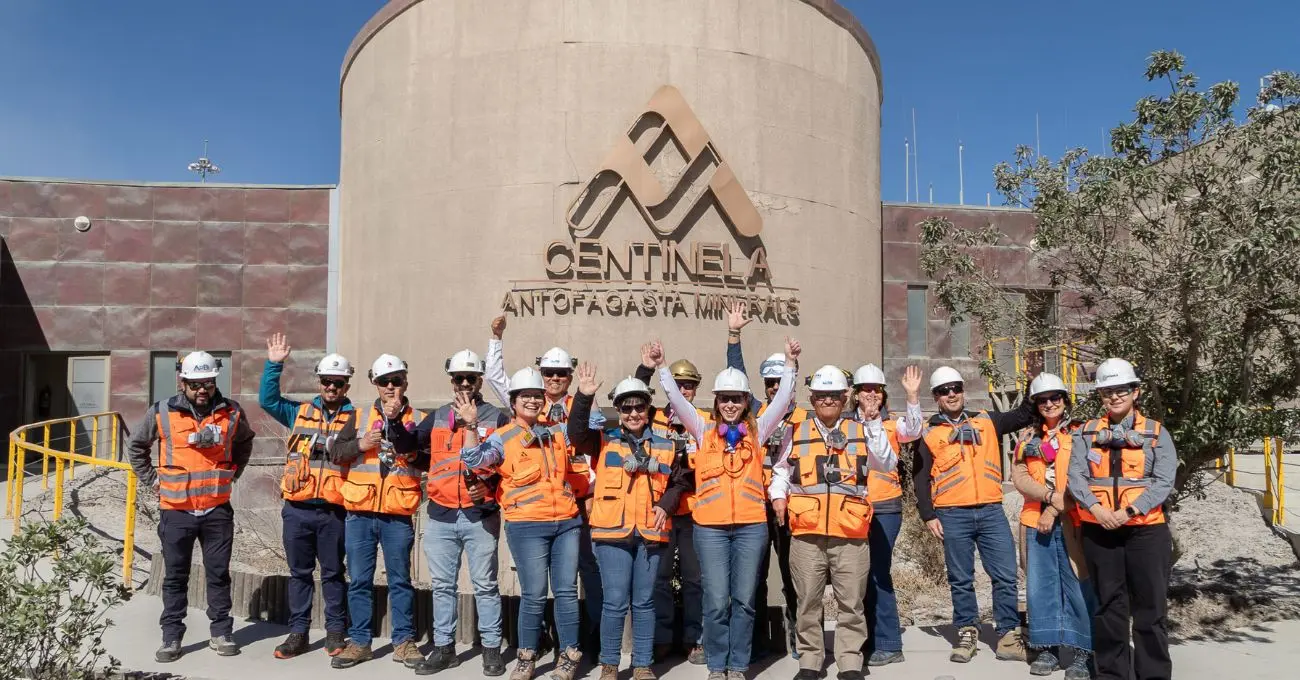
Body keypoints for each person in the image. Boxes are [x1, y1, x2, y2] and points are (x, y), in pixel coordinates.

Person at [652, 334, 801, 680]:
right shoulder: (702, 429)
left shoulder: (758, 430)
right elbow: (676, 398)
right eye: (724, 398)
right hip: (710, 530)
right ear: (716, 401)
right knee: (717, 600)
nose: (730, 405)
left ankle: (738, 666)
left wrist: (791, 364)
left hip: (750, 528)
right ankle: (717, 665)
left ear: (746, 401)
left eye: (736, 398)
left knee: (745, 600)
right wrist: (661, 366)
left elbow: (781, 401)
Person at [485, 316, 603, 661]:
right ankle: (539, 641)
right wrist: (496, 339)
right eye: (549, 372)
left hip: (579, 503)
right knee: (537, 586)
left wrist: (593, 492)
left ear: (570, 376)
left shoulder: (581, 404)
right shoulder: (529, 404)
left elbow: (592, 444)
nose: (554, 378)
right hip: (538, 507)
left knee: (586, 572)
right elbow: (496, 379)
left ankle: (589, 639)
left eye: (561, 373)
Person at [770, 365, 898, 680]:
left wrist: (873, 422)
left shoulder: (862, 429)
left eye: (833, 395)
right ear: (812, 398)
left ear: (844, 398)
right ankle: (810, 661)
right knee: (807, 601)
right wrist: (778, 497)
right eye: (821, 395)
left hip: (850, 533)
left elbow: (886, 462)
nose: (827, 400)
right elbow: (781, 470)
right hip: (807, 532)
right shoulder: (796, 431)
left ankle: (850, 662)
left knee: (851, 602)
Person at [127, 351, 255, 663]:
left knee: (218, 574)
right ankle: (171, 637)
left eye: (208, 384)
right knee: (175, 576)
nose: (202, 390)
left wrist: (233, 473)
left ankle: (221, 632)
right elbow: (136, 446)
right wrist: (152, 481)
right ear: (182, 382)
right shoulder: (162, 412)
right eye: (195, 384)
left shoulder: (232, 412)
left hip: (216, 510)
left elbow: (244, 442)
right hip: (176, 510)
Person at [462, 367, 590, 680]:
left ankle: (569, 656)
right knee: (534, 594)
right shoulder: (503, 437)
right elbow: (474, 459)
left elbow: (582, 433)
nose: (532, 400)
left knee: (566, 592)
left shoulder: (557, 432)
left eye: (536, 395)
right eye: (525, 396)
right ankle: (526, 658)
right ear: (514, 401)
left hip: (566, 523)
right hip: (527, 526)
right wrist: (471, 425)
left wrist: (585, 396)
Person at [568, 366, 693, 680]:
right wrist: (583, 397)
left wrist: (666, 505)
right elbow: (576, 433)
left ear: (648, 409)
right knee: (614, 602)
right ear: (619, 411)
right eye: (626, 408)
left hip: (650, 533)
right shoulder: (602, 441)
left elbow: (680, 482)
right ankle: (610, 664)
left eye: (639, 406)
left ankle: (642, 664)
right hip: (612, 535)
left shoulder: (666, 445)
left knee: (645, 602)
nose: (633, 413)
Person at [914, 365, 1033, 664]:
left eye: (956, 388)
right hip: (952, 514)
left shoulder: (987, 421)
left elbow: (1023, 415)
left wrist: (1033, 384)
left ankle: (1008, 637)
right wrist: (928, 514)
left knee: (1005, 576)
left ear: (963, 391)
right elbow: (920, 477)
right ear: (936, 397)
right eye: (944, 391)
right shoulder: (929, 432)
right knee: (961, 579)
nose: (951, 394)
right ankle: (967, 632)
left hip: (991, 511)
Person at [1069, 358, 1176, 680]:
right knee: (1108, 607)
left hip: (1146, 532)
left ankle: (1153, 675)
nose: (1114, 397)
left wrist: (1128, 511)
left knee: (1150, 609)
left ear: (1135, 392)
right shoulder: (1086, 433)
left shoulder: (1155, 433)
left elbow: (1164, 481)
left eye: (1121, 390)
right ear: (1100, 396)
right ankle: (1112, 674)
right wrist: (1098, 510)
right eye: (1107, 392)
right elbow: (1075, 476)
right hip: (1100, 530)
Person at [411, 348, 512, 677]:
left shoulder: (497, 418)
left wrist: (489, 487)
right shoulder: (438, 416)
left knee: (485, 585)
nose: (465, 383)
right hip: (441, 514)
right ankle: (444, 649)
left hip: (479, 515)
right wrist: (394, 420)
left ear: (480, 380)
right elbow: (412, 449)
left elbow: (509, 464)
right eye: (459, 378)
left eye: (471, 377)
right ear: (452, 381)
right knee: (442, 586)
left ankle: (491, 650)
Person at [259, 334, 354, 659]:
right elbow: (267, 400)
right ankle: (298, 632)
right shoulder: (299, 412)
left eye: (338, 383)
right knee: (299, 574)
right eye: (327, 381)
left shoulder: (356, 419)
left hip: (334, 511)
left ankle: (335, 631)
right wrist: (274, 365)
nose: (331, 387)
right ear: (319, 382)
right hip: (297, 509)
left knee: (333, 573)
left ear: (346, 386)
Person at [719, 301, 804, 660]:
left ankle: (799, 636)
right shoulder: (756, 415)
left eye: (778, 382)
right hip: (756, 504)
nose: (773, 389)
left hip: (792, 505)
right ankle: (751, 643)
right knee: (752, 577)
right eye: (768, 383)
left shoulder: (806, 417)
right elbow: (736, 376)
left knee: (793, 573)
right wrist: (733, 335)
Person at [329, 354, 425, 669]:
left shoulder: (419, 418)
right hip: (360, 512)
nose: (390, 387)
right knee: (359, 580)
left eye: (396, 381)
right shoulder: (357, 416)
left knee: (401, 580)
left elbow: (427, 459)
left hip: (397, 513)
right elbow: (335, 453)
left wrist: (406, 443)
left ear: (405, 383)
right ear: (376, 384)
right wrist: (360, 444)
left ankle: (404, 642)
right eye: (384, 381)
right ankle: (359, 642)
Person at [1012, 373, 1093, 679]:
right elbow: (1020, 477)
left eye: (1055, 398)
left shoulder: (1081, 433)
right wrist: (1048, 498)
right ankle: (1048, 648)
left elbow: (1086, 478)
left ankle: (1082, 651)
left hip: (1073, 521)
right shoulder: (1027, 438)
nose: (1049, 404)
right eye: (1042, 400)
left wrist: (1056, 508)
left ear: (1065, 400)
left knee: (1078, 585)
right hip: (1035, 523)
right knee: (1040, 587)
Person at [631, 348, 709, 664]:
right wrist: (645, 368)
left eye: (689, 385)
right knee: (659, 579)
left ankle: (695, 639)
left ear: (696, 388)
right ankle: (662, 638)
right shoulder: (653, 417)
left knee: (694, 579)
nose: (683, 390)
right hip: (659, 512)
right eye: (677, 384)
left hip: (693, 512)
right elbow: (635, 395)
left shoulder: (704, 421)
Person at [845, 363, 923, 667]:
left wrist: (912, 397)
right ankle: (865, 639)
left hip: (885, 507)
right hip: (852, 507)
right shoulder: (846, 425)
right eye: (865, 389)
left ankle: (889, 644)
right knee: (856, 575)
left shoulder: (893, 424)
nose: (871, 394)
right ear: (855, 394)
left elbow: (914, 430)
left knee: (878, 572)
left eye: (876, 389)